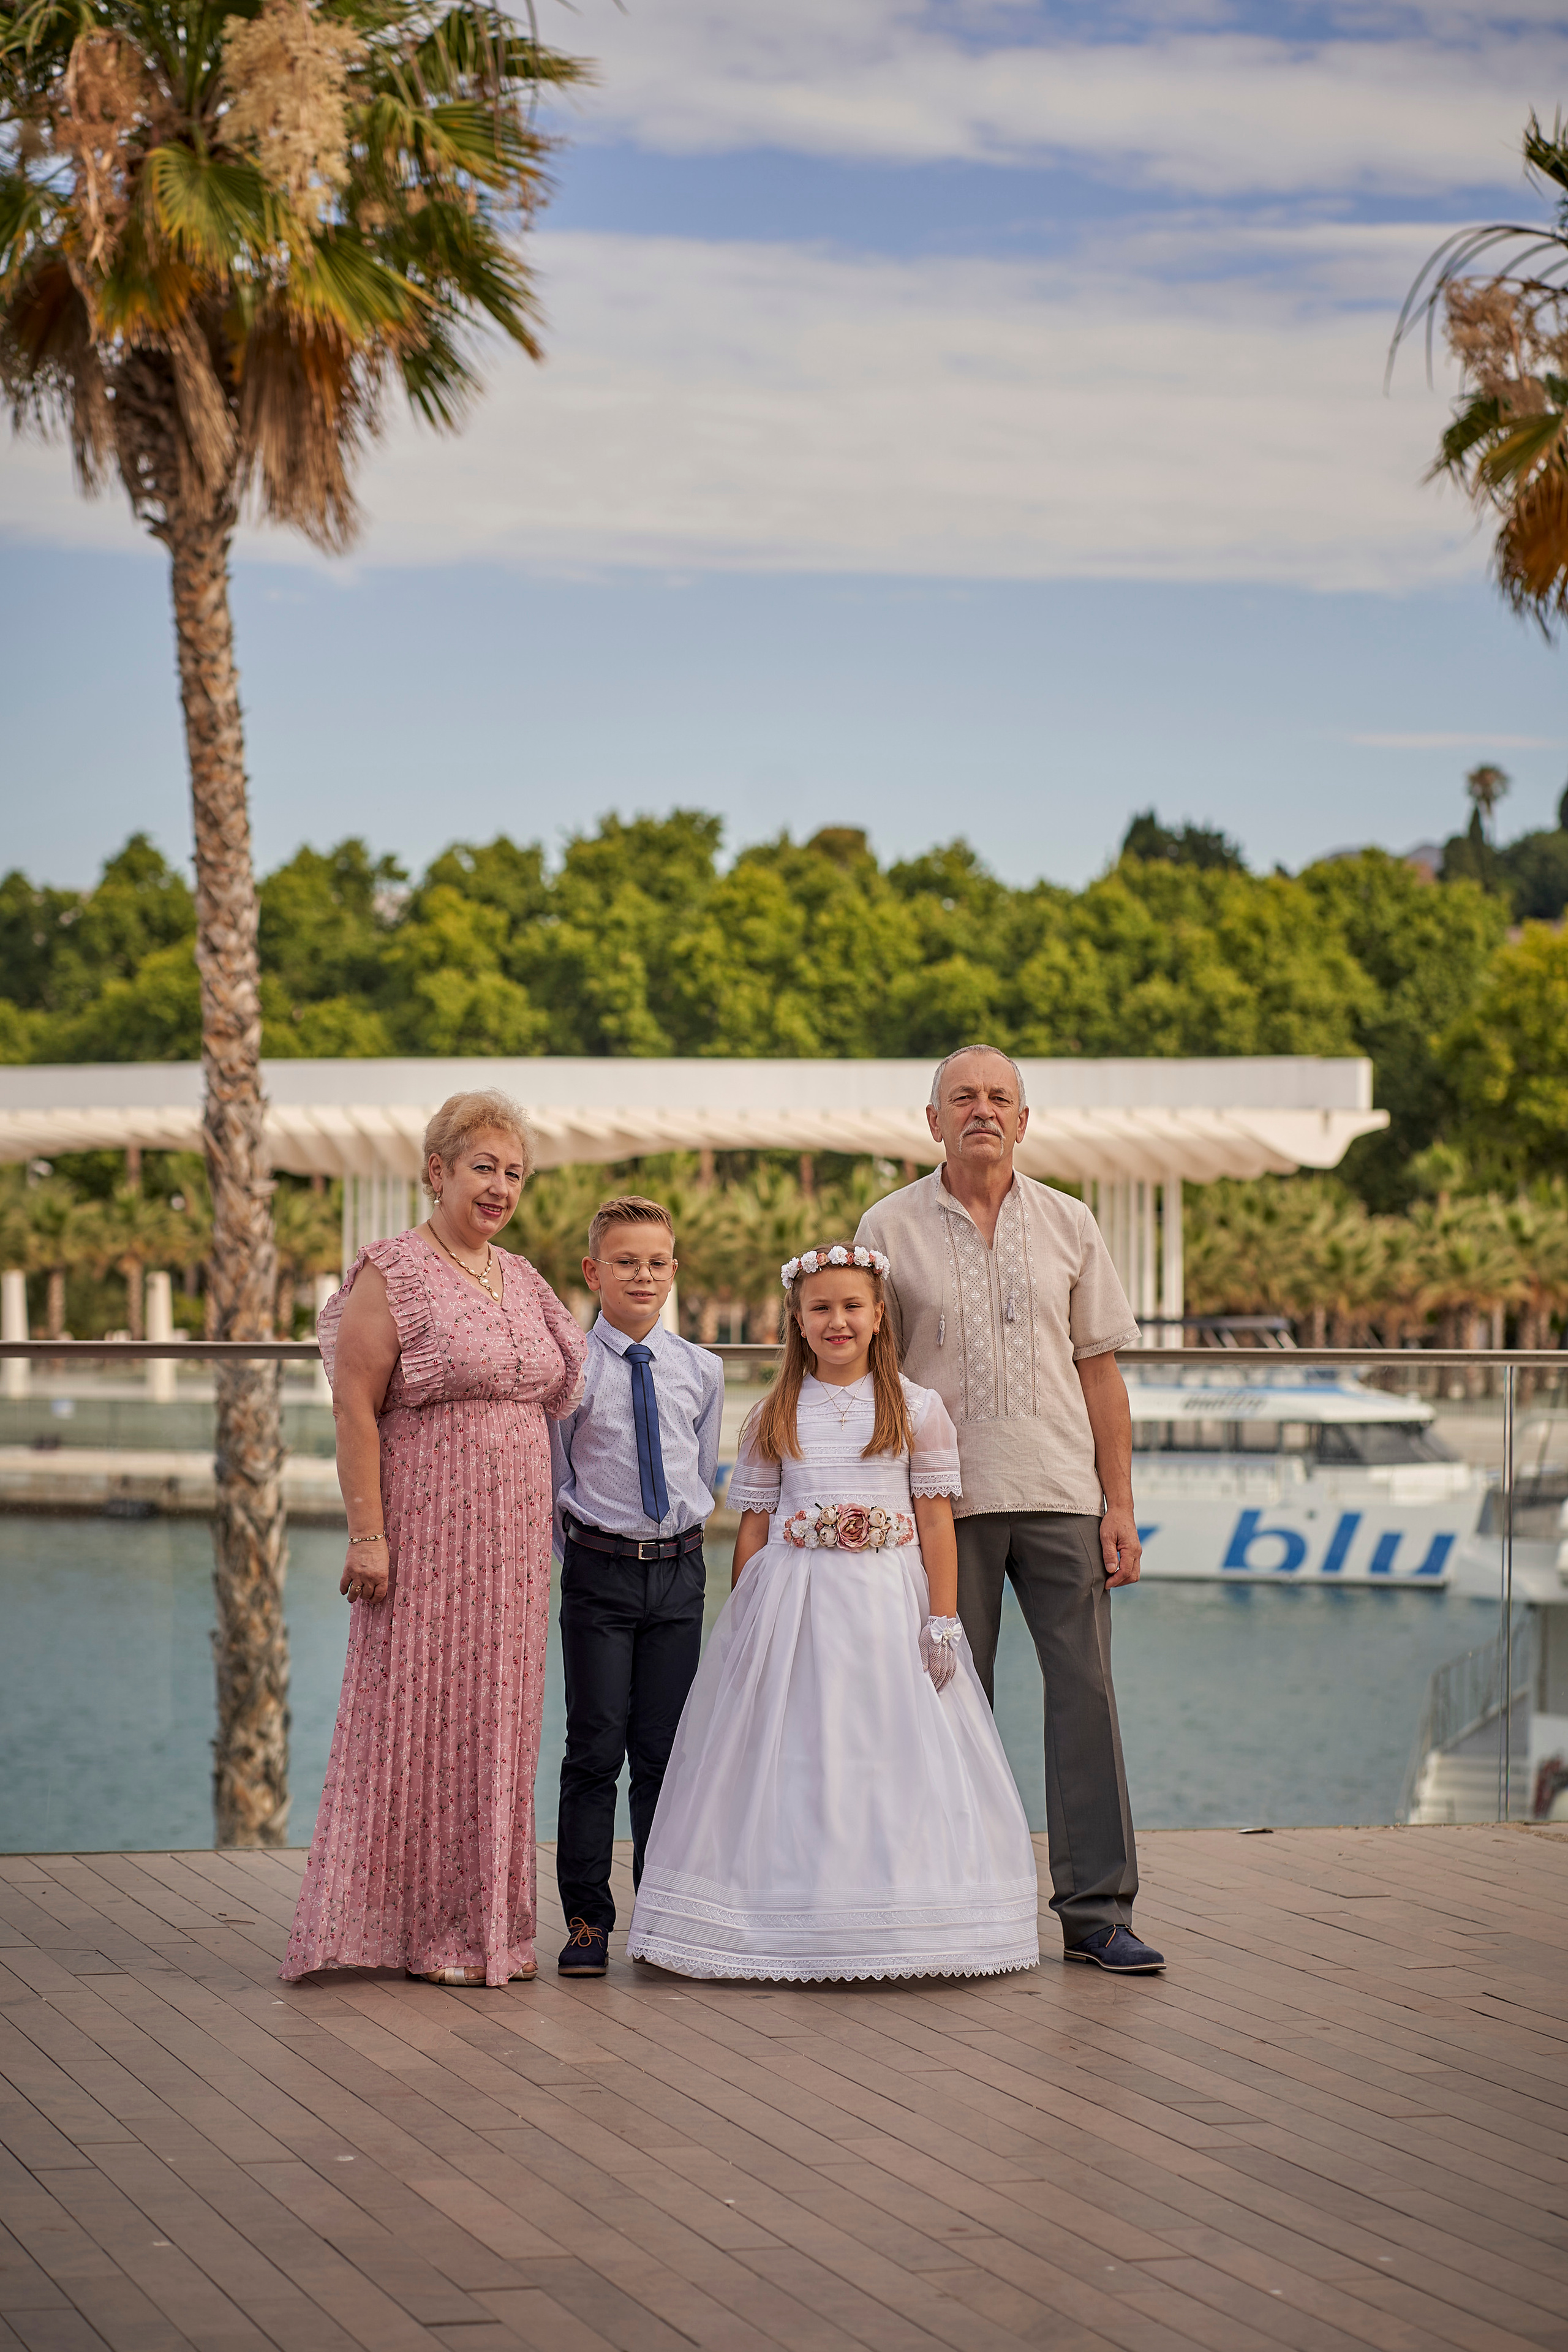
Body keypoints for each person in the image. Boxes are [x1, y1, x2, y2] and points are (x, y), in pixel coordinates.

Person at [627, 1241, 1039, 1983]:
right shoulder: (776, 1411)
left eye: (852, 1307)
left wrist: (942, 1618)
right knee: (796, 1750)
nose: (837, 1321)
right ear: (797, 1318)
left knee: (883, 1749)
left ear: (880, 1317)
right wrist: (747, 1613)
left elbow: (937, 1521)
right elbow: (753, 1525)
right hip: (795, 1604)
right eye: (821, 1309)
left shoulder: (917, 1409)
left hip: (888, 1602)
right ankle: (781, 1916)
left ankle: (899, 1916)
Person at [856, 1046, 1164, 1975]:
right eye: (964, 1098)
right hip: (944, 1503)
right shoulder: (888, 1224)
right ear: (934, 1119)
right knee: (948, 1700)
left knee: (1087, 1699)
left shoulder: (1072, 1223)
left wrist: (1121, 1505)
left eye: (999, 1098)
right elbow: (873, 1376)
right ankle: (953, 1903)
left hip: (1065, 1496)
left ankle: (1098, 1913)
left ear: (1024, 1121)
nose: (981, 1110)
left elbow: (1100, 1371)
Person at [281, 1091, 586, 1991]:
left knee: (499, 1729)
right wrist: (367, 1536)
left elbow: (565, 1384)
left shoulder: (523, 1276)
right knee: (420, 1723)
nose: (500, 1187)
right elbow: (354, 1406)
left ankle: (487, 1925)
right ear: (438, 1171)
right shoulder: (394, 1271)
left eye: (515, 1173)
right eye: (484, 1167)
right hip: (427, 1532)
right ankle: (414, 1929)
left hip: (516, 1546)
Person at [549, 1196, 723, 1978]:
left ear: (674, 1270)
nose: (642, 1275)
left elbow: (701, 1465)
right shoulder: (572, 1372)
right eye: (624, 1262)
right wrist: (583, 1560)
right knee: (594, 1751)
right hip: (599, 1572)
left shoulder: (702, 1370)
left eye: (656, 1262)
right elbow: (556, 1476)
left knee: (665, 1754)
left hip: (678, 1575)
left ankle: (659, 1918)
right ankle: (587, 1922)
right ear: (594, 1272)